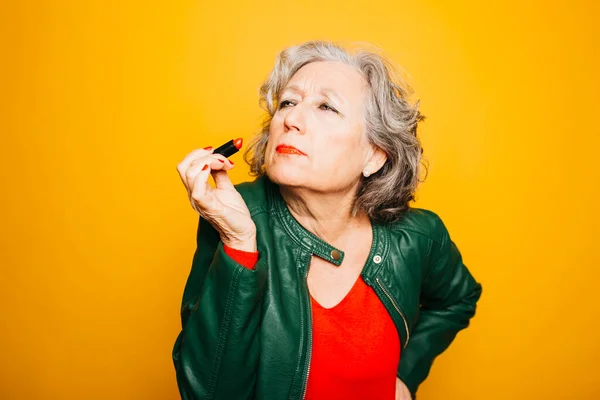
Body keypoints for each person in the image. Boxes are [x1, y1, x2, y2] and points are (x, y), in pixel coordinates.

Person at [173, 40, 482, 400]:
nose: (290, 119)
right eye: (288, 102)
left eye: (326, 107)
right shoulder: (234, 217)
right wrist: (239, 244)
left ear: (374, 155)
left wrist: (405, 376)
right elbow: (208, 393)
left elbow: (458, 299)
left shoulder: (419, 237)